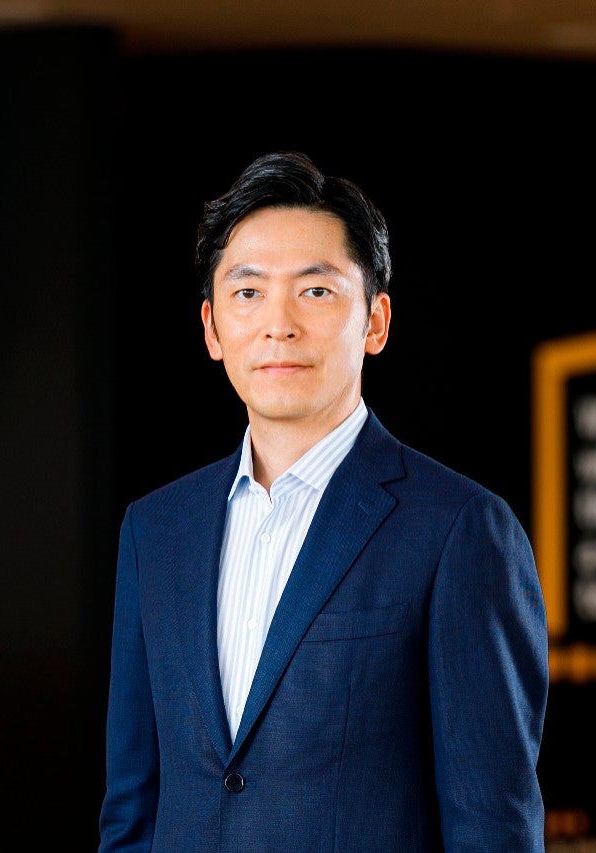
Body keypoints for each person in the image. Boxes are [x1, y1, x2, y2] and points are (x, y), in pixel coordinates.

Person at [99, 151, 549, 851]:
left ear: (376, 321)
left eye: (315, 291)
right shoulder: (155, 530)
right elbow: (132, 809)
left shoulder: (460, 530)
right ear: (212, 328)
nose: (278, 324)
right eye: (248, 292)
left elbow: (493, 827)